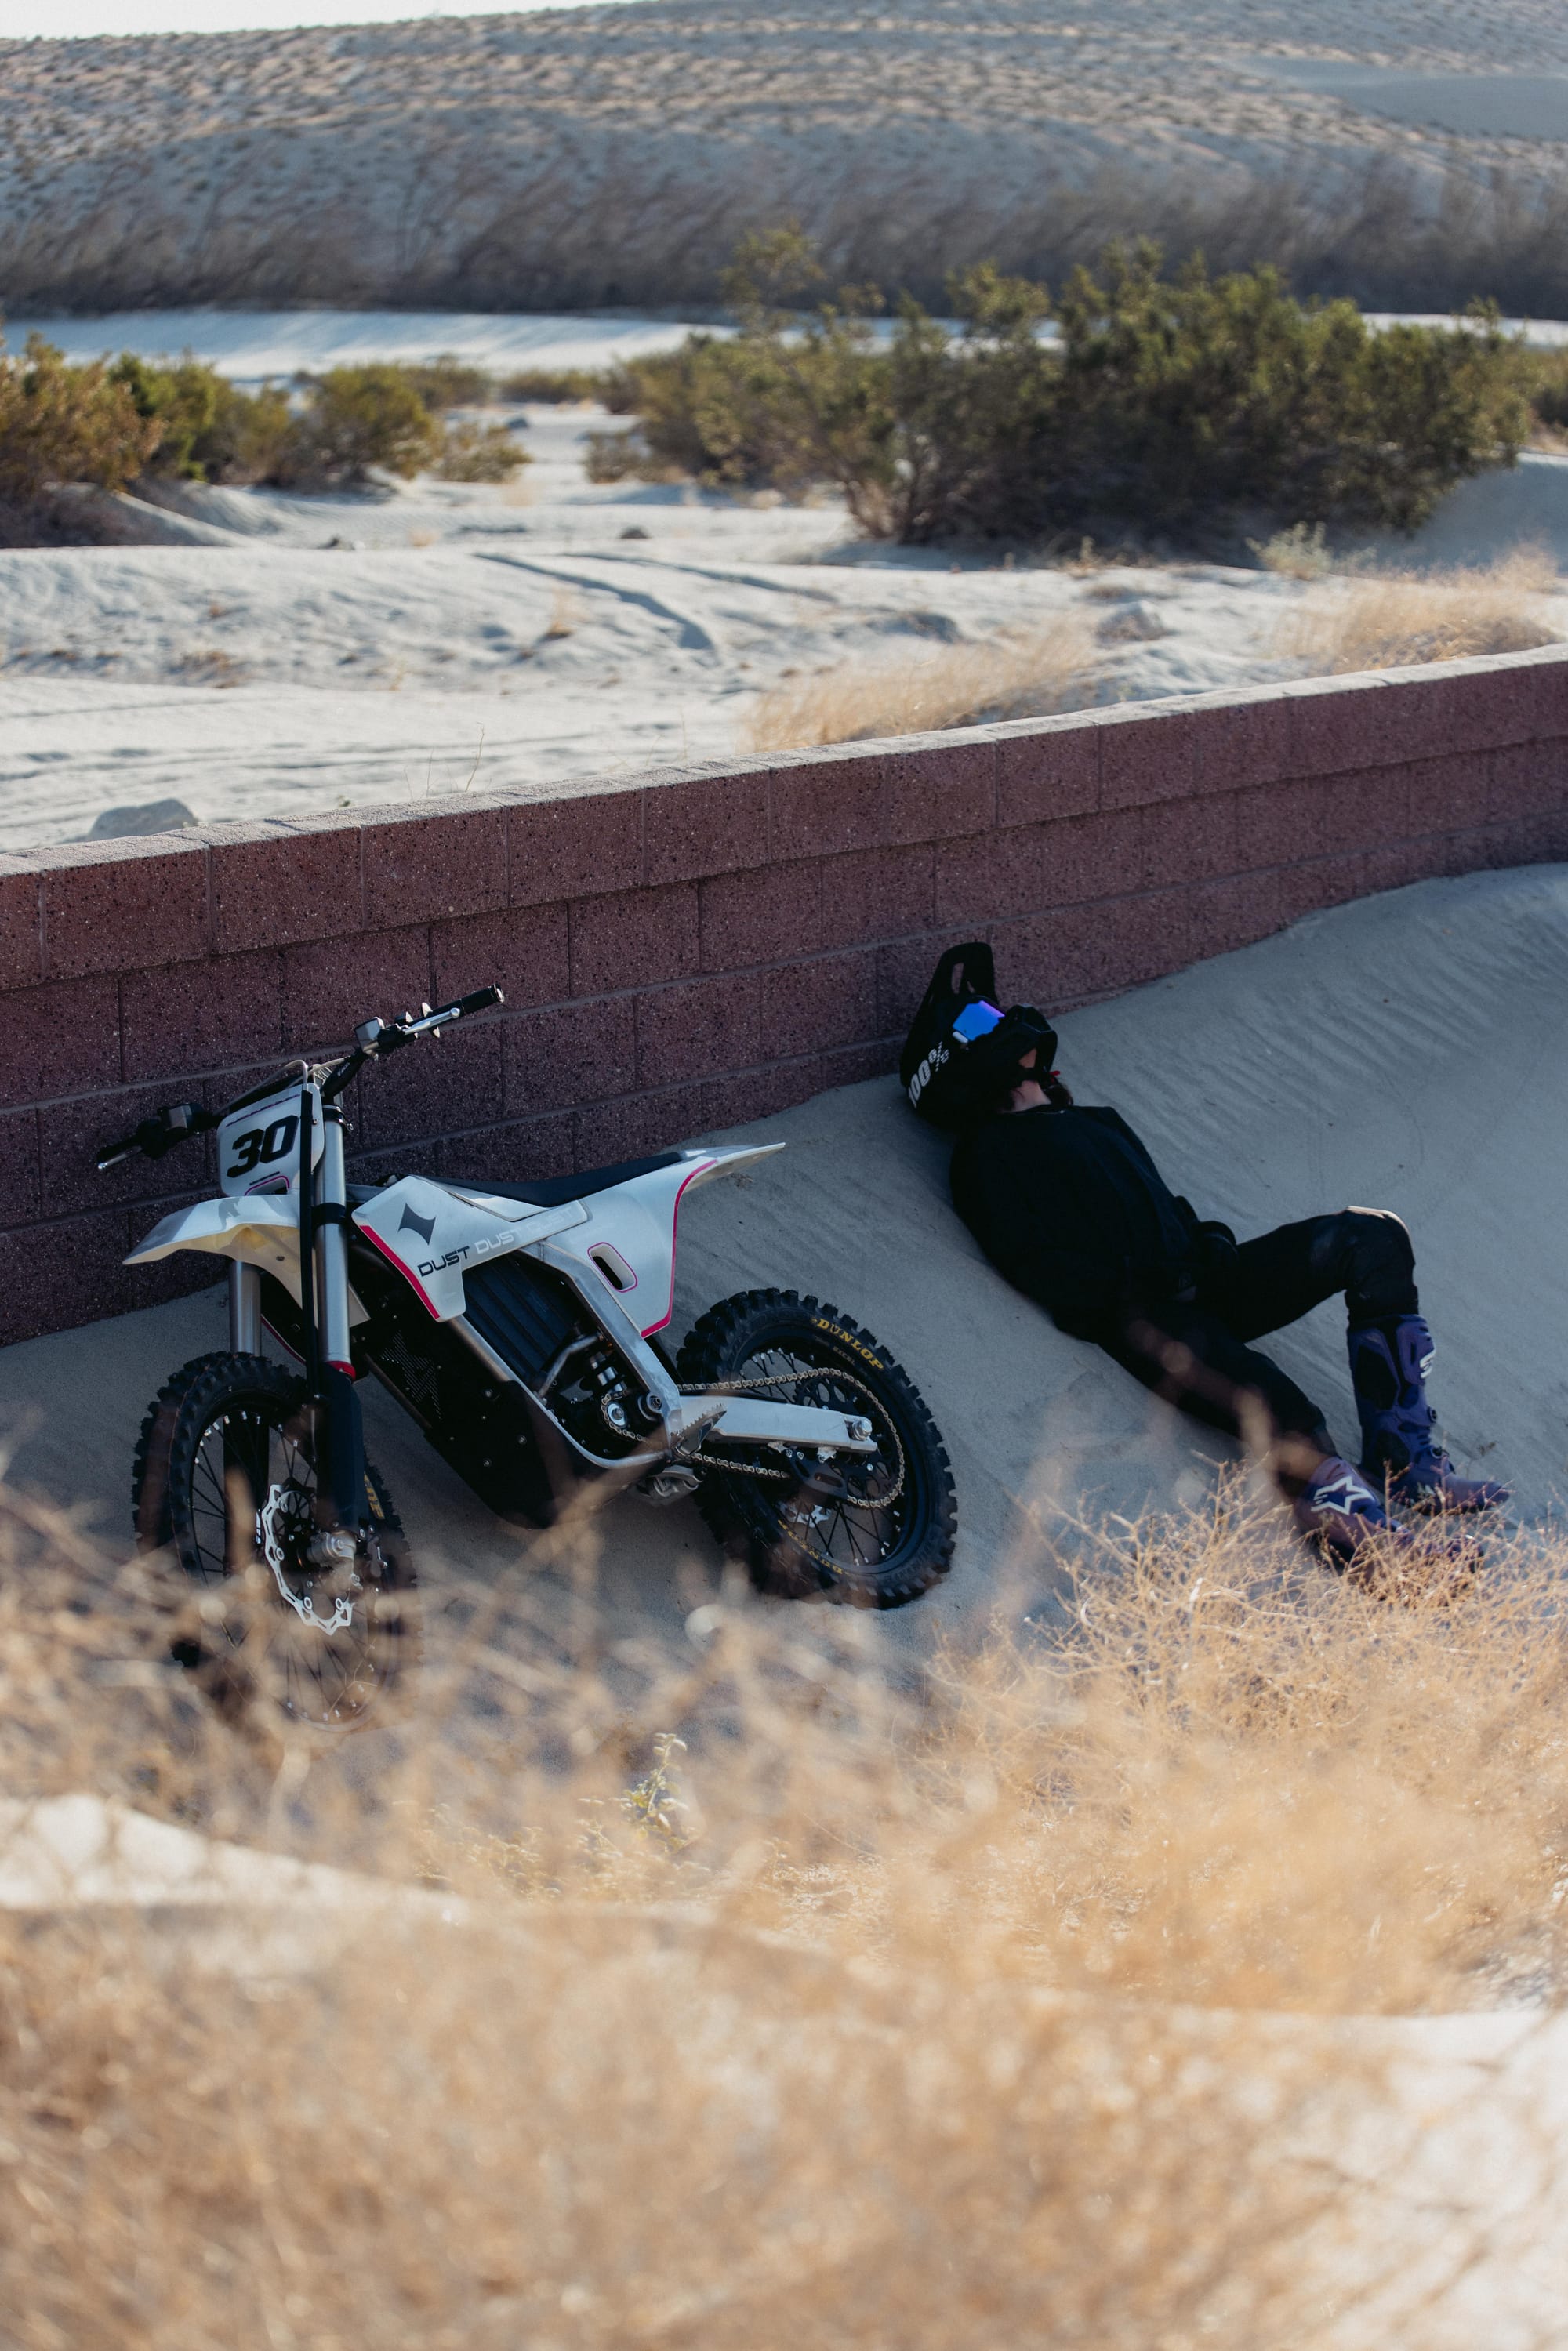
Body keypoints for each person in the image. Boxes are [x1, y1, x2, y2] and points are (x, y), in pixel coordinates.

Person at [902, 951, 1506, 1572]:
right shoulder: (983, 1156)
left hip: (1206, 1280)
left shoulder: (1093, 1120)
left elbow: (1169, 1208)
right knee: (1279, 1406)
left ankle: (1406, 1463)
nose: (1005, 1019)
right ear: (962, 1058)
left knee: (1371, 1236)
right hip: (1146, 1320)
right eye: (983, 1019)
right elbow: (1033, 1264)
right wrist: (1129, 1288)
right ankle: (1374, 1550)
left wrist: (1211, 1241)